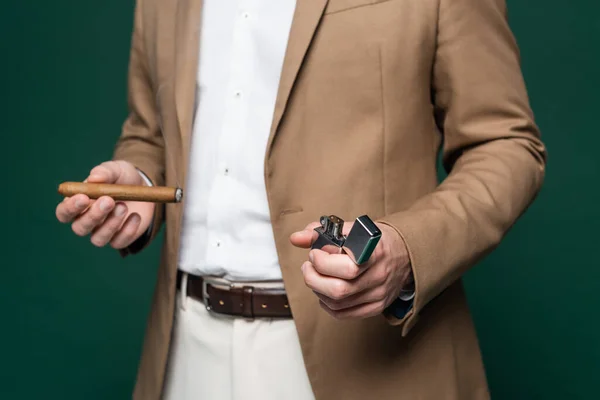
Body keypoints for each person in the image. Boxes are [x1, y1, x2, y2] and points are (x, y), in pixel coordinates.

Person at [55, 0, 547, 399]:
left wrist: (407, 249)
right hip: (182, 354)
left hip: (365, 360)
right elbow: (150, 132)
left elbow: (506, 144)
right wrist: (140, 177)